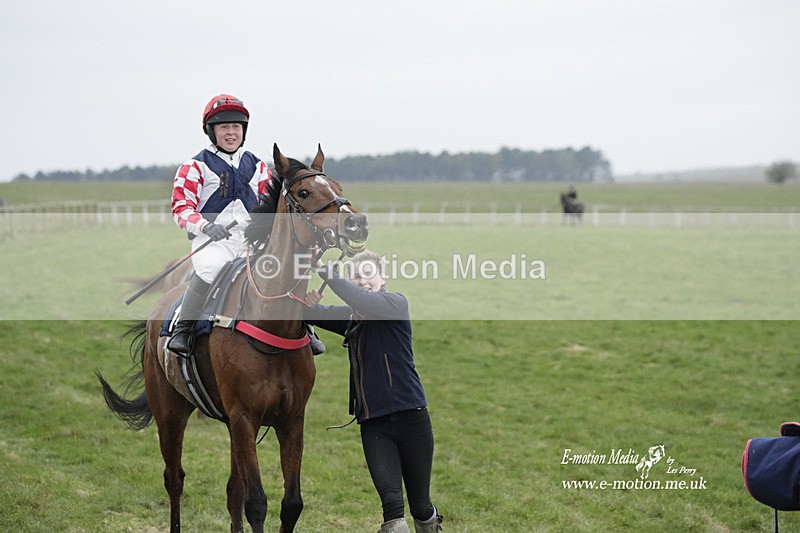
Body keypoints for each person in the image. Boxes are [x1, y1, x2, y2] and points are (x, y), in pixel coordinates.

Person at [304, 251, 443, 533]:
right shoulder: (351, 318)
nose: (363, 281)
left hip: (412, 420)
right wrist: (308, 306)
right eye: (357, 276)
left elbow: (360, 300)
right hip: (374, 425)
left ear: (383, 278)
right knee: (393, 513)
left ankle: (431, 523)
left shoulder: (395, 304)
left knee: (420, 507)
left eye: (369, 274)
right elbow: (311, 313)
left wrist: (322, 268)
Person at [167, 94, 282, 355]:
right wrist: (206, 227)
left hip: (252, 240)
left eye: (236, 127)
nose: (231, 133)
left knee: (278, 271)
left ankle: (304, 329)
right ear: (211, 131)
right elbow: (181, 208)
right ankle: (183, 330)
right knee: (212, 268)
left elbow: (272, 207)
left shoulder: (260, 167)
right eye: (224, 127)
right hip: (212, 240)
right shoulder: (194, 166)